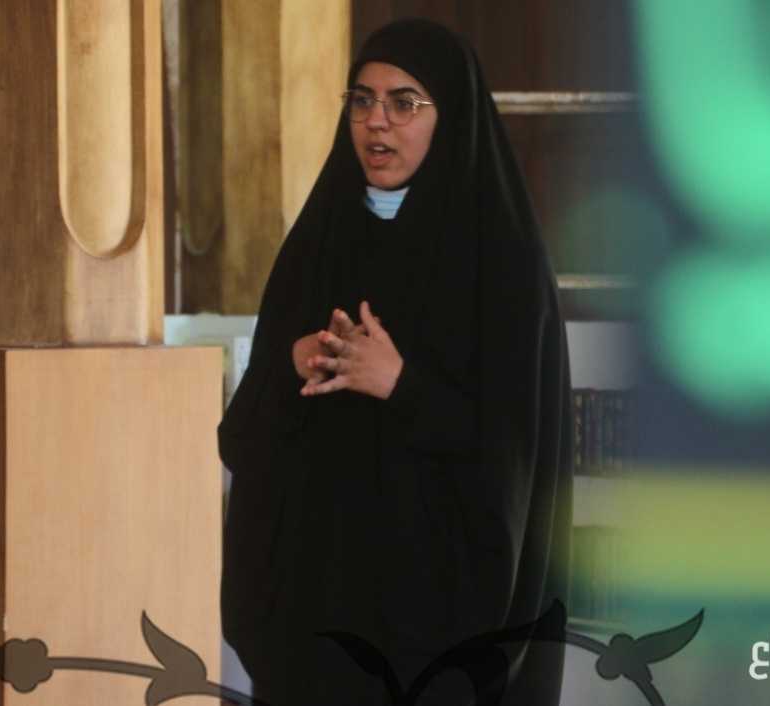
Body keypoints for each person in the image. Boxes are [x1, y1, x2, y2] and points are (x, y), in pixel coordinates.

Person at [218, 18, 573, 706]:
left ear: (450, 115)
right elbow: (242, 439)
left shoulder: (502, 265)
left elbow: (516, 458)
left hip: (437, 626)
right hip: (315, 624)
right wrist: (292, 364)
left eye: (404, 102)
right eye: (362, 100)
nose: (376, 121)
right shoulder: (316, 248)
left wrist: (399, 384)